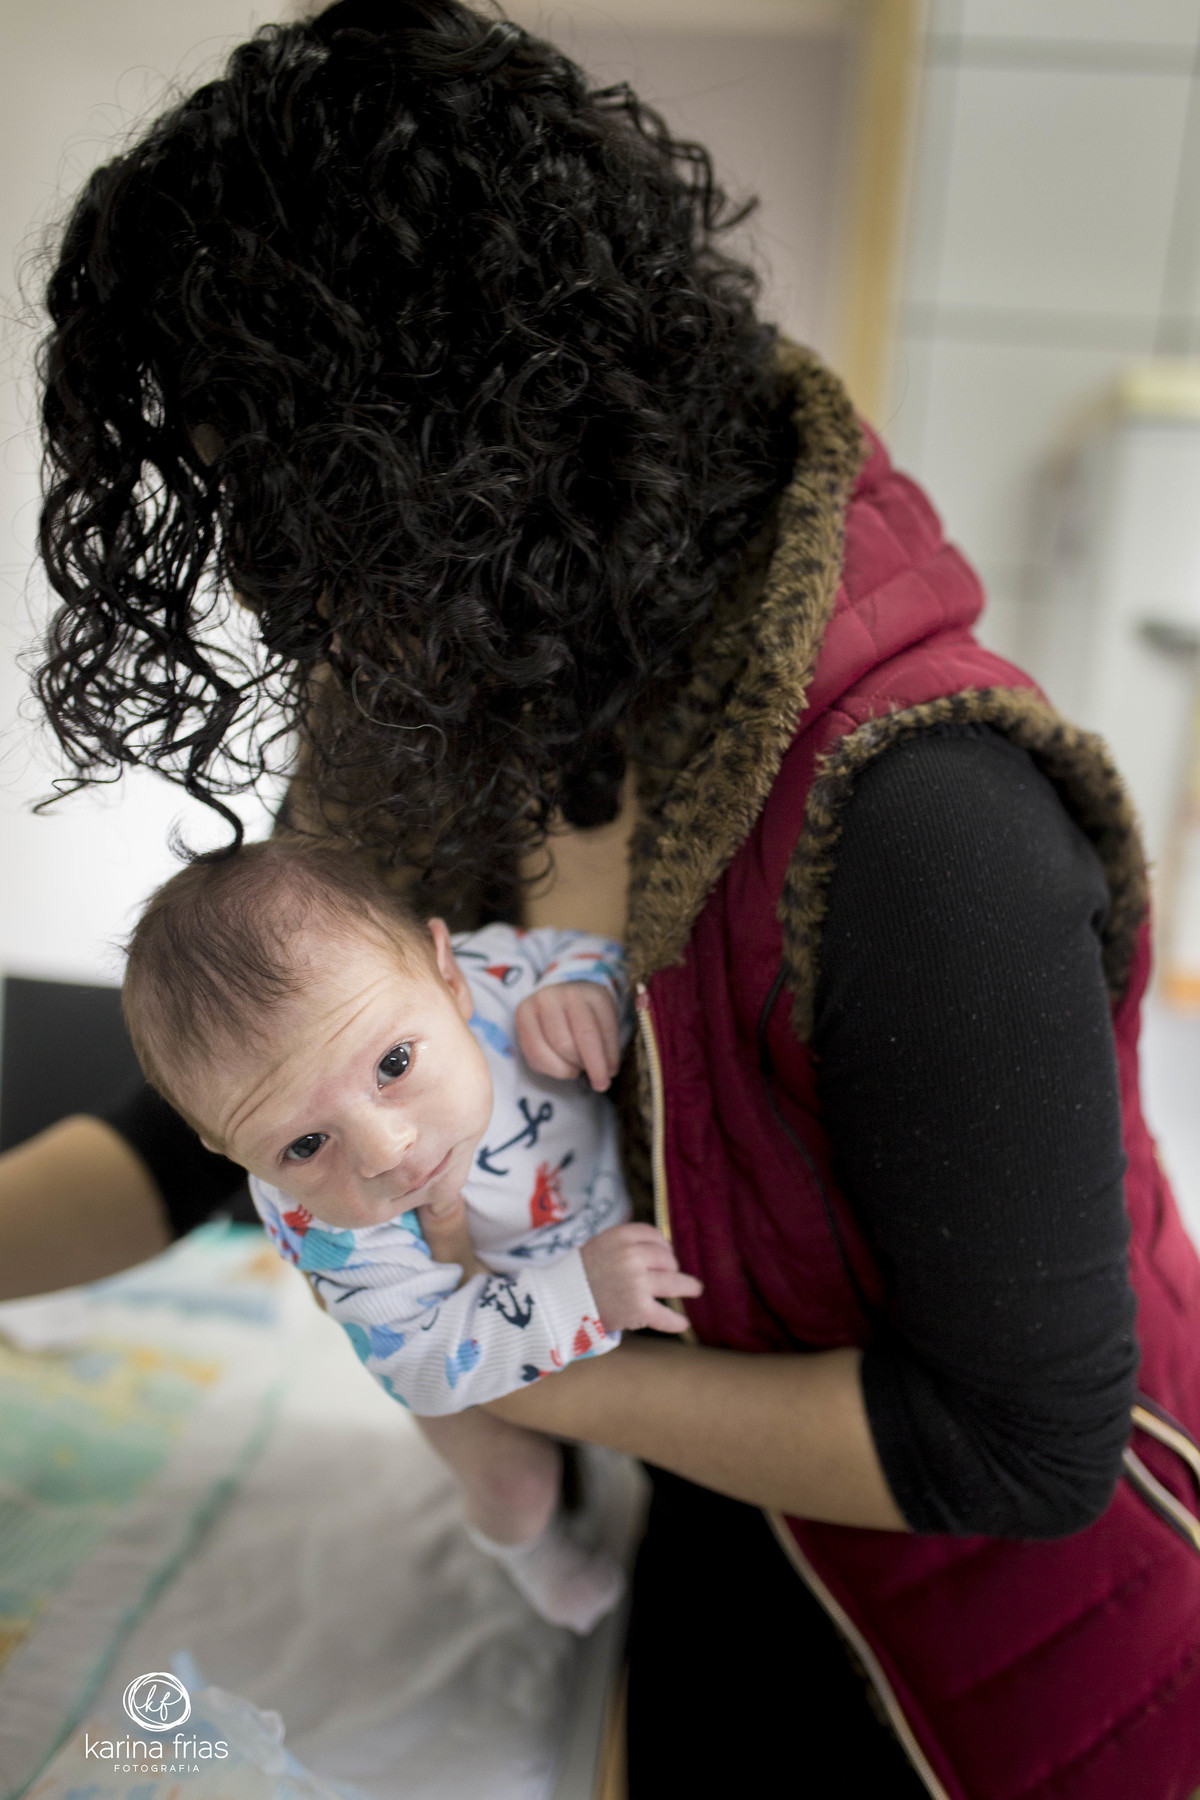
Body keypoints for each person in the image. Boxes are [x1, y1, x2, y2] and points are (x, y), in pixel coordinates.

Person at [7, 0, 1200, 1792]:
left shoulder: (924, 826)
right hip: (724, 1478)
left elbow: (1021, 1451)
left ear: (444, 456)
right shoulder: (464, 700)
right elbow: (252, 1116)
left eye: (293, 505)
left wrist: (493, 1367)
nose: (282, 582)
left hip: (1014, 1620)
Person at [119, 836, 699, 1633]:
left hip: (583, 1237)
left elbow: (582, 950)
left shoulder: (498, 980)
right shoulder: (321, 1222)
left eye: (393, 1063)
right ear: (229, 1152)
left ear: (447, 974)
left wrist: (579, 990)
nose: (388, 1153)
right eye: (304, 1146)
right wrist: (579, 1298)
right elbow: (425, 1363)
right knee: (517, 1485)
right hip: (453, 1335)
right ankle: (519, 1551)